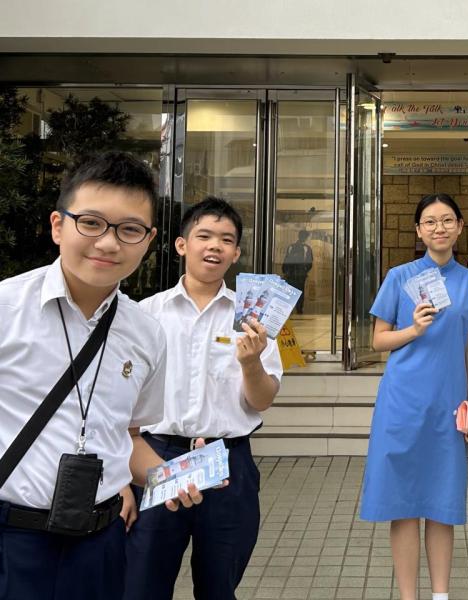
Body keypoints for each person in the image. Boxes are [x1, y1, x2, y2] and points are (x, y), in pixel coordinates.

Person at [0, 151, 207, 600]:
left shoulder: (146, 333)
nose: (109, 243)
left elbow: (128, 437)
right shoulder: (6, 309)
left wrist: (174, 476)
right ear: (58, 226)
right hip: (11, 539)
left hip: (103, 543)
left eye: (129, 230)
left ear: (148, 240)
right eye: (91, 223)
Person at [124, 197, 282, 600]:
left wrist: (251, 363)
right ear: (182, 245)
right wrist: (122, 480)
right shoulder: (146, 314)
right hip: (156, 458)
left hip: (228, 463)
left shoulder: (253, 320)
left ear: (236, 253)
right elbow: (120, 402)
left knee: (219, 587)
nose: (215, 246)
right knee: (141, 584)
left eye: (226, 240)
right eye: (205, 236)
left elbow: (262, 400)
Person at [359, 193, 468, 600]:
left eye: (448, 220)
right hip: (401, 403)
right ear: (418, 230)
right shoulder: (399, 277)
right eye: (431, 221)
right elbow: (378, 340)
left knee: (442, 504)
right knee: (402, 505)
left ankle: (440, 595)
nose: (440, 228)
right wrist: (414, 330)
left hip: (448, 407)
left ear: (460, 226)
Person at [282, 229, 313, 314]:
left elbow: (286, 260)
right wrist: (305, 270)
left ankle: (289, 309)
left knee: (290, 291)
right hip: (301, 274)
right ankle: (299, 309)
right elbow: (309, 262)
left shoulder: (291, 246)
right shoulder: (307, 248)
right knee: (300, 291)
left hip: (290, 274)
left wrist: (285, 271)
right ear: (306, 238)